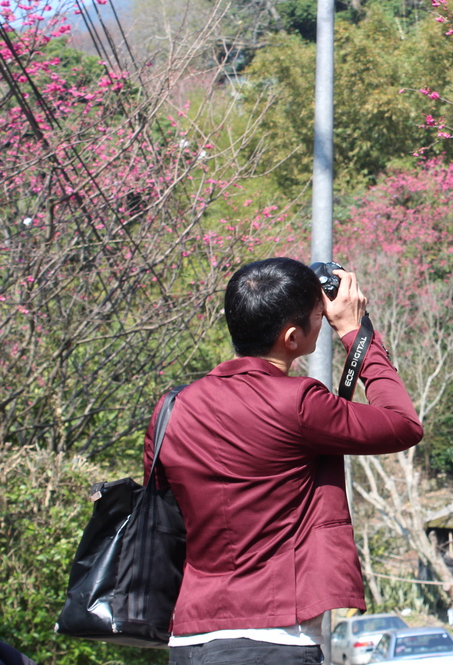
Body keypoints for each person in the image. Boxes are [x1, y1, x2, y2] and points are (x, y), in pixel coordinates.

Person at [144, 257, 423, 665]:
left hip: (190, 638)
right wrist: (353, 331)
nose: (323, 317)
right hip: (273, 638)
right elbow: (403, 424)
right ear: (291, 337)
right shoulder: (298, 402)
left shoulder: (171, 408)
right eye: (318, 314)